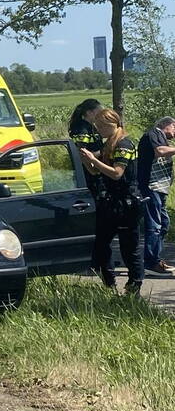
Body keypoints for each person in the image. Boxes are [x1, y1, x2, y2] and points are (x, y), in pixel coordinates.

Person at [79, 108, 144, 294]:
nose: (97, 130)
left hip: (127, 203)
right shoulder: (109, 144)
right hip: (111, 202)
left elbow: (117, 173)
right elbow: (96, 172)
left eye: (100, 126)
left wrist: (94, 159)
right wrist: (86, 160)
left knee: (129, 249)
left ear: (111, 124)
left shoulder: (124, 144)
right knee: (100, 244)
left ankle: (134, 287)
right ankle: (109, 283)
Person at [138, 116, 175, 275]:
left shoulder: (162, 138)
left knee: (164, 223)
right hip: (151, 187)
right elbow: (159, 151)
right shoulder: (153, 133)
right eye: (174, 127)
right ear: (167, 124)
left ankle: (155, 258)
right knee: (154, 226)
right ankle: (151, 263)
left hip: (160, 189)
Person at [69, 98, 104, 198]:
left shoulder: (91, 126)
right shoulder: (82, 129)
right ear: (89, 113)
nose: (101, 115)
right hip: (87, 173)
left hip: (96, 168)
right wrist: (102, 152)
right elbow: (81, 154)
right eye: (99, 112)